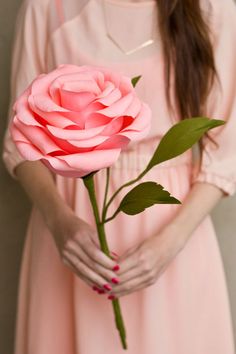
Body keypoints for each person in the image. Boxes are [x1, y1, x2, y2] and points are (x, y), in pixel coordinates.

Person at [2, 0, 236, 352]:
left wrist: (169, 243)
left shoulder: (215, 8)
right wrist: (59, 221)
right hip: (69, 239)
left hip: (175, 238)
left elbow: (225, 154)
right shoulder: (47, 6)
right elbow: (21, 141)